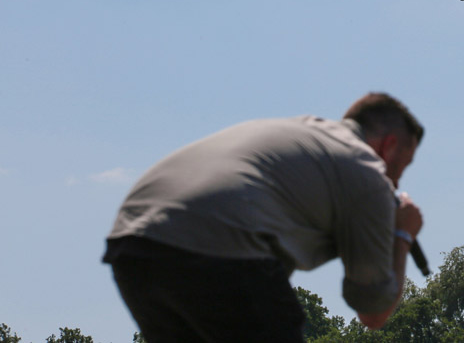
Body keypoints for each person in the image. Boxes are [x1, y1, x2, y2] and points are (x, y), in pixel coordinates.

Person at [102, 92, 424, 343]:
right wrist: (402, 234)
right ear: (389, 146)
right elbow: (374, 311)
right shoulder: (366, 170)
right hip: (218, 250)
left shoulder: (304, 132)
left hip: (133, 243)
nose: (396, 183)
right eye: (401, 168)